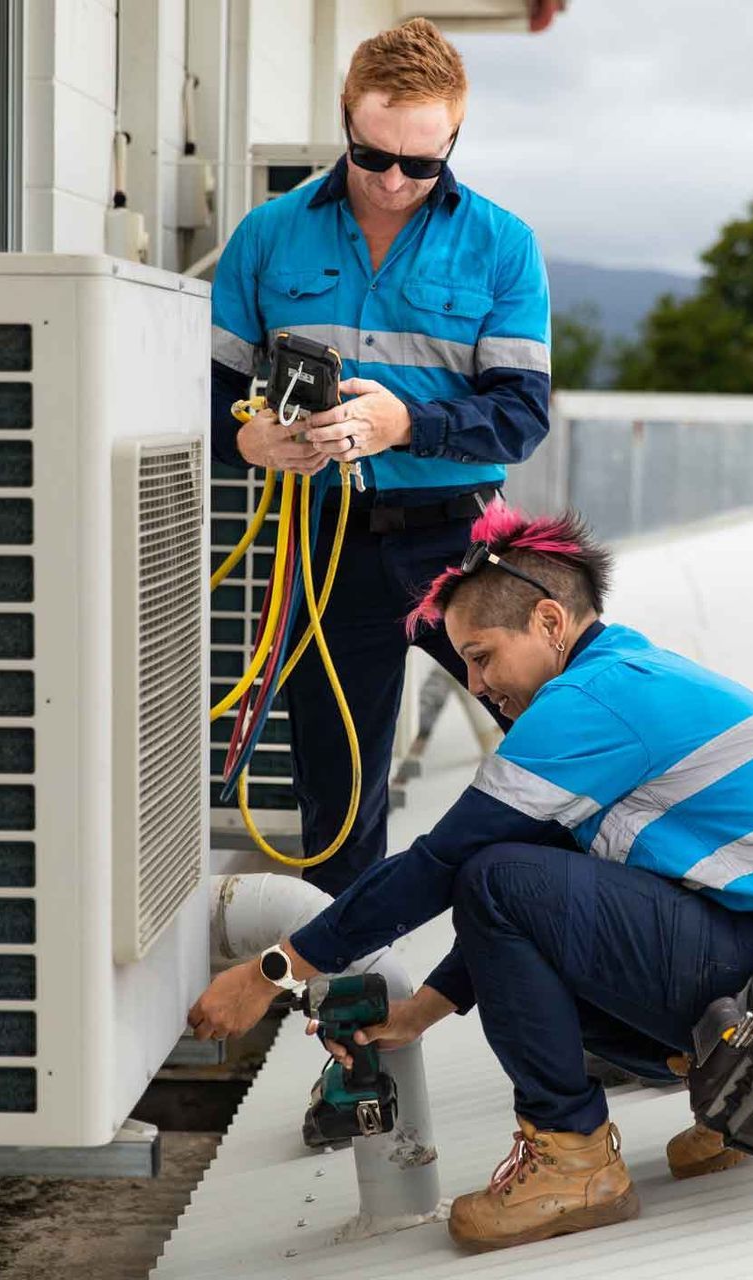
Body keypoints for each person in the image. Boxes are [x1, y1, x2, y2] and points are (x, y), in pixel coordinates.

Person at [189, 501, 753, 1253]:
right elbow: (547, 902)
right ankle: (731, 1097)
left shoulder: (588, 700)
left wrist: (272, 971)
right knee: (516, 885)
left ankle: (574, 1156)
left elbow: (447, 868)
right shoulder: (626, 673)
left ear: (552, 623)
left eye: (484, 655)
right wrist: (418, 1014)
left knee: (492, 878)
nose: (476, 682)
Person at [209, 17, 551, 895]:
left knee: (559, 746)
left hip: (461, 545)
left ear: (455, 140)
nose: (395, 181)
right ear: (344, 121)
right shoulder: (267, 234)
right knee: (339, 803)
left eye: (422, 164)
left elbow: (520, 415)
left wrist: (408, 428)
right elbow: (204, 398)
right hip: (322, 547)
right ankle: (347, 1011)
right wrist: (246, 437)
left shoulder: (503, 244)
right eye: (374, 156)